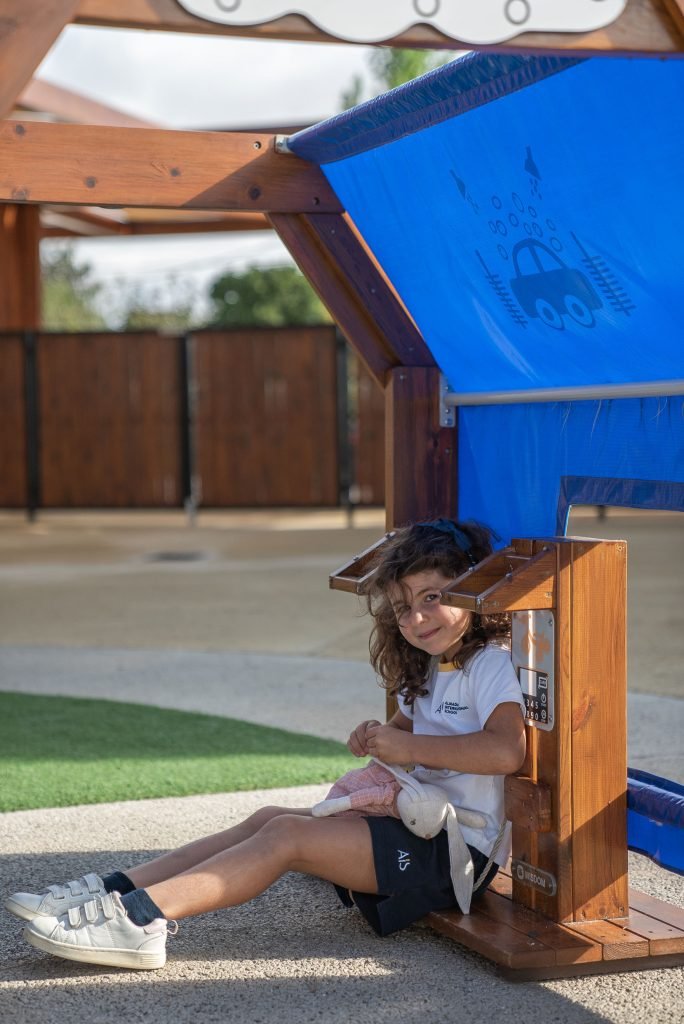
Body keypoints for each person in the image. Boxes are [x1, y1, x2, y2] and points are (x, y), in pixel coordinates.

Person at [5, 519, 526, 970]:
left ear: (471, 587)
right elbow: (406, 732)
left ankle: (139, 921)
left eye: (432, 597)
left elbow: (506, 751)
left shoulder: (491, 663)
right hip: (417, 827)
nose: (415, 618)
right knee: (269, 818)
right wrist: (377, 735)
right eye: (402, 607)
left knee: (286, 837)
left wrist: (407, 749)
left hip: (457, 857)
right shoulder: (435, 665)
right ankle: (112, 890)